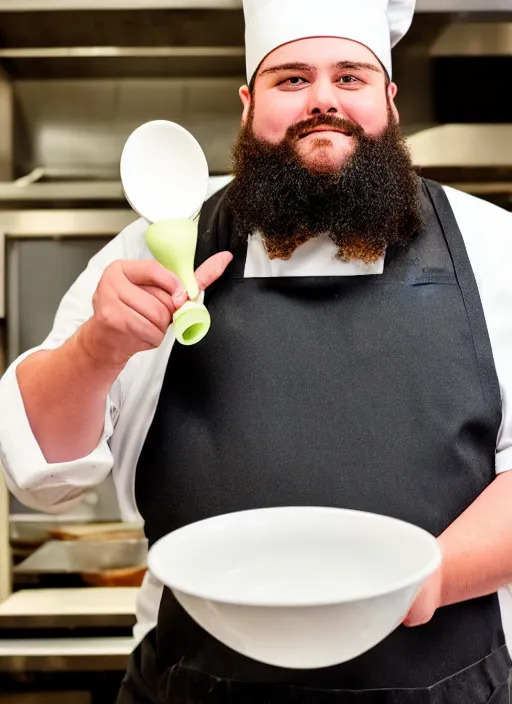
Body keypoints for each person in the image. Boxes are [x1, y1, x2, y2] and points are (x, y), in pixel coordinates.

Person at [1, 0, 512, 700]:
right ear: (247, 104)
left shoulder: (494, 248)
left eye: (351, 77)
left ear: (390, 100)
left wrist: (429, 579)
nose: (323, 100)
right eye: (292, 79)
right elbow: (43, 479)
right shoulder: (157, 244)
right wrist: (98, 349)